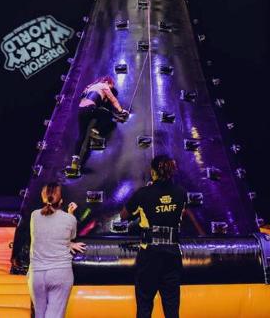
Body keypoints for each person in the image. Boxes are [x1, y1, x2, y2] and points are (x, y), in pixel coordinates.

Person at [120, 155, 187, 318]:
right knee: (172, 307)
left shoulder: (143, 194)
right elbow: (181, 216)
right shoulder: (181, 193)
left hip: (149, 255)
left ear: (153, 172)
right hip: (172, 254)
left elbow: (123, 216)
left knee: (144, 305)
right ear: (172, 171)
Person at [29, 182, 87, 318]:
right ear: (61, 200)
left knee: (39, 315)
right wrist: (70, 213)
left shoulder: (34, 216)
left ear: (43, 198)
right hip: (60, 272)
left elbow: (45, 233)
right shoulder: (70, 219)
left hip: (36, 274)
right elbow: (69, 237)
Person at [71, 76, 129, 170]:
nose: (110, 88)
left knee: (81, 136)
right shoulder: (103, 85)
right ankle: (96, 131)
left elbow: (83, 97)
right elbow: (112, 99)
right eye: (111, 86)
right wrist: (121, 111)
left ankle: (75, 159)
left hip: (81, 110)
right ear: (107, 82)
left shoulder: (90, 86)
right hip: (91, 109)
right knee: (107, 113)